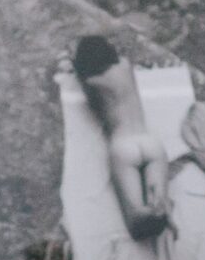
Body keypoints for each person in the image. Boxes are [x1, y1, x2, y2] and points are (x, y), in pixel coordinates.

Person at [72, 33, 173, 241]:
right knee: (159, 202)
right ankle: (160, 207)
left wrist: (74, 63)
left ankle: (144, 213)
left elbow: (81, 80)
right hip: (150, 142)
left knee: (135, 221)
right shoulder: (125, 66)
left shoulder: (92, 81)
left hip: (123, 146)